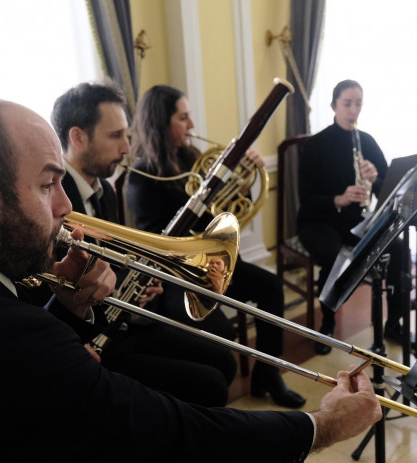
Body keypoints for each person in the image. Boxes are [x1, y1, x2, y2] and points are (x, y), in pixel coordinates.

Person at [0, 96, 381, 461]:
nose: (65, 207)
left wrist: (71, 309)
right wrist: (324, 425)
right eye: (46, 186)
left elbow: (9, 394)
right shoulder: (4, 337)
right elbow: (177, 436)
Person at [50, 81, 237, 406]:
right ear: (77, 137)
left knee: (224, 360)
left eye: (127, 135)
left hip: (123, 320)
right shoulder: (55, 196)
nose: (126, 148)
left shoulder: (103, 190)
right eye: (116, 136)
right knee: (209, 385)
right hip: (88, 341)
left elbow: (111, 259)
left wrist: (140, 284)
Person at [125, 84, 306, 409]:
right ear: (160, 124)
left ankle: (268, 373)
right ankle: (202, 402)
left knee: (270, 287)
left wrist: (243, 179)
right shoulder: (143, 176)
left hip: (209, 266)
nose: (192, 126)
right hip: (172, 279)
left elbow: (226, 214)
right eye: (183, 118)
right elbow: (171, 239)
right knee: (221, 332)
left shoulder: (191, 157)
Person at [296, 79, 409, 355]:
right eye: (347, 104)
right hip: (317, 221)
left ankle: (393, 321)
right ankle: (328, 321)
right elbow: (306, 201)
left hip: (353, 219)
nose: (353, 110)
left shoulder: (366, 141)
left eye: (358, 103)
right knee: (336, 255)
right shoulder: (315, 146)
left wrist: (376, 178)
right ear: (334, 106)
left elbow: (390, 191)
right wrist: (339, 198)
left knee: (398, 247)